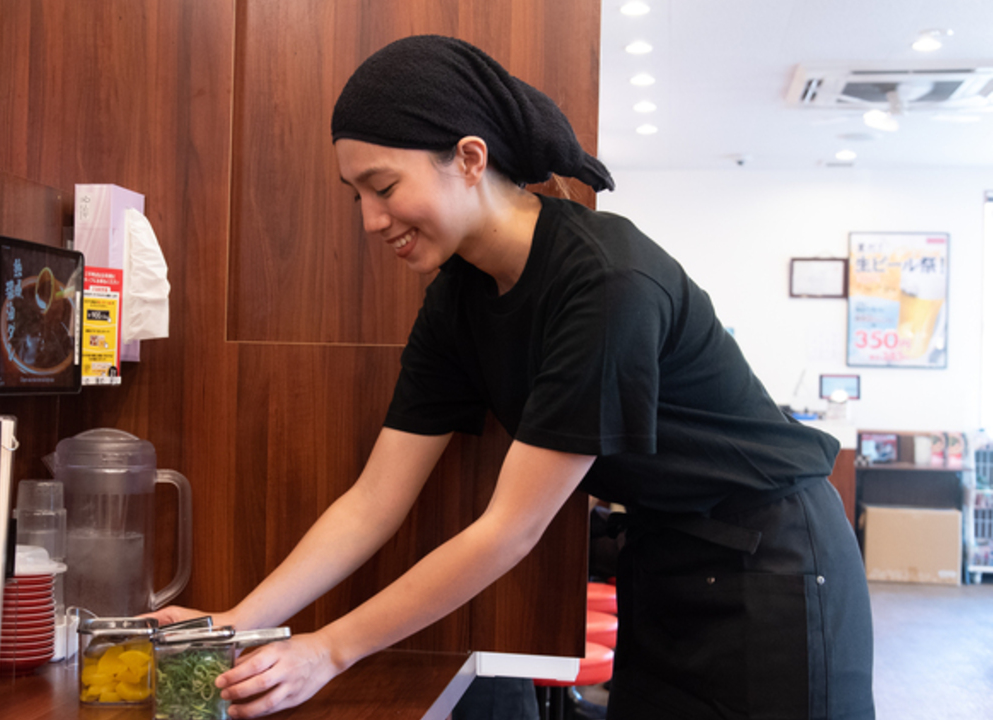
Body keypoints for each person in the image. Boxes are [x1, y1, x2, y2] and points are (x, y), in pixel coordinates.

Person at [150, 35, 875, 720]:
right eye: (356, 197)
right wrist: (238, 622)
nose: (370, 221)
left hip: (775, 562)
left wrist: (327, 650)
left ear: (469, 157)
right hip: (663, 559)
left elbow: (508, 531)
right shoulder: (459, 295)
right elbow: (375, 499)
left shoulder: (605, 283)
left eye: (382, 187)